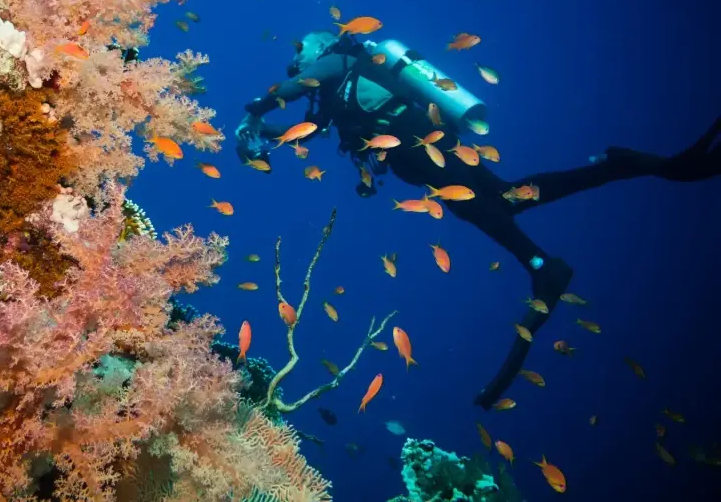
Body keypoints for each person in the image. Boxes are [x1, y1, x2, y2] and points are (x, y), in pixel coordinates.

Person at [235, 31, 721, 410]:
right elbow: (306, 128)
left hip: (431, 153)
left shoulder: (340, 60)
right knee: (506, 199)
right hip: (426, 159)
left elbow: (294, 88)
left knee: (490, 206)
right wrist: (259, 132)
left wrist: (253, 109)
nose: (297, 60)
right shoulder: (339, 94)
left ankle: (544, 263)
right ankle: (611, 174)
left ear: (320, 46)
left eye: (301, 51)